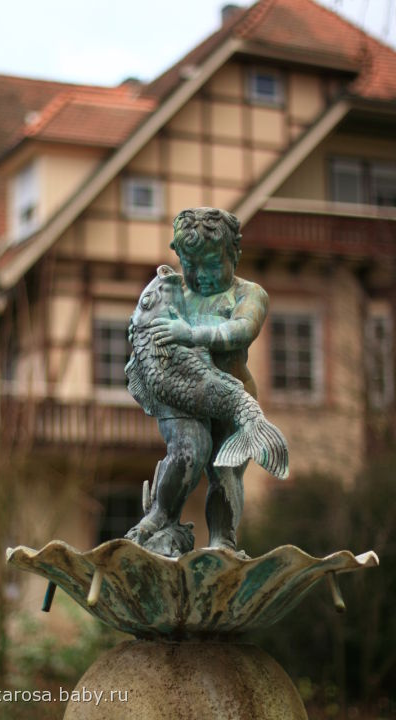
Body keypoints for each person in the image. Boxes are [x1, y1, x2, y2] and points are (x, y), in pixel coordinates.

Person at [129, 207, 269, 555]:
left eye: (213, 264)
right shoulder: (176, 292)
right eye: (192, 265)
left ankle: (222, 541)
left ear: (235, 255)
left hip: (231, 396)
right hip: (183, 396)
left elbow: (242, 329)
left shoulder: (248, 294)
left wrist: (191, 333)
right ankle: (161, 518)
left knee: (225, 471)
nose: (201, 275)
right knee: (187, 450)